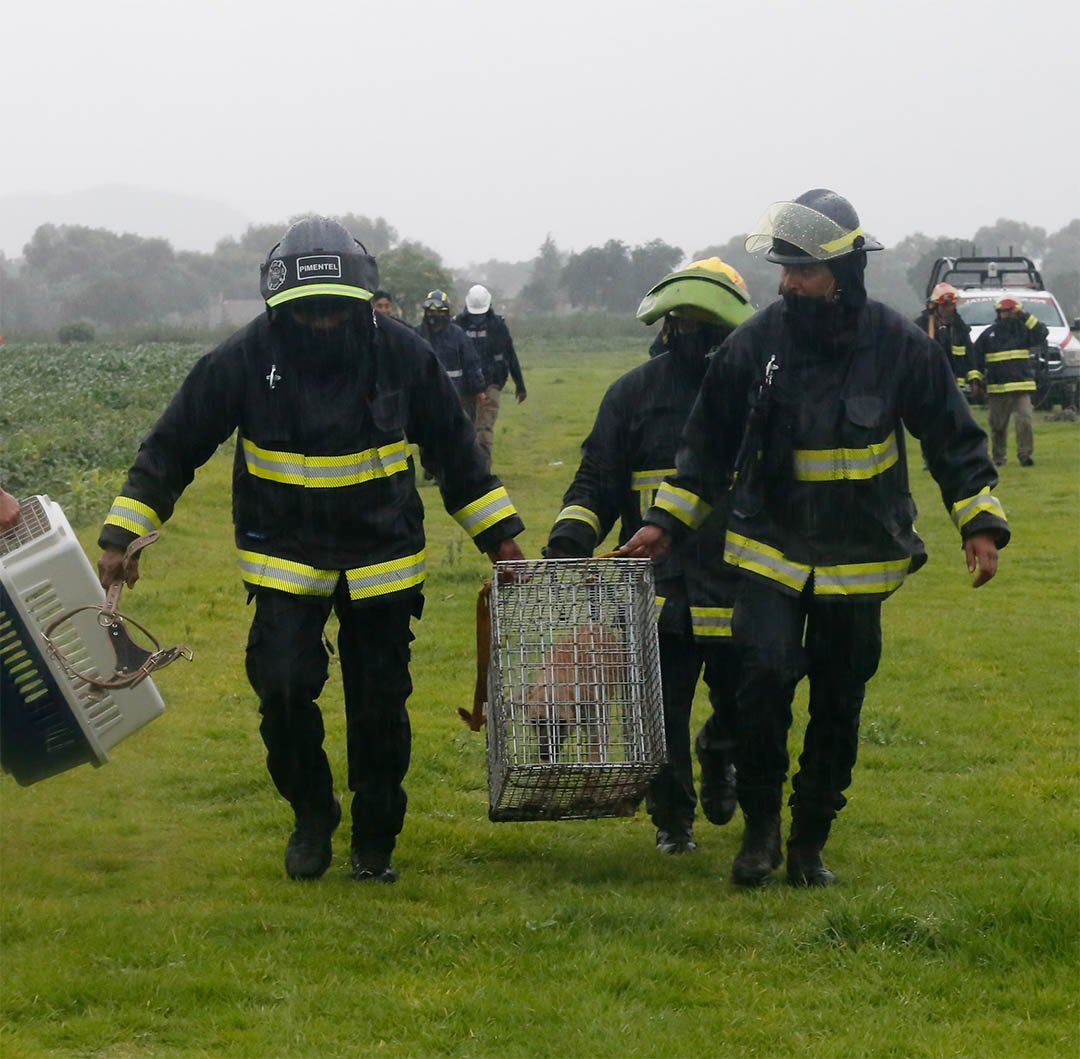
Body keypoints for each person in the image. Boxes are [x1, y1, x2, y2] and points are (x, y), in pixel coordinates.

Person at [95, 217, 525, 884]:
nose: (322, 322)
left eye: (335, 308)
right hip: (285, 556)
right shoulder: (242, 358)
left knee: (380, 706)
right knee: (284, 688)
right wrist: (123, 532)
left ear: (363, 301)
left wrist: (504, 544)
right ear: (280, 305)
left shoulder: (407, 357)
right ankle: (312, 813)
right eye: (307, 310)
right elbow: (173, 445)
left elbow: (458, 456)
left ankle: (375, 841)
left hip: (383, 558)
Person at [622, 189, 1009, 887]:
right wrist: (663, 523)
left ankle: (809, 844)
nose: (786, 283)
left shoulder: (899, 347)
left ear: (844, 270)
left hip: (859, 561)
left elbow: (953, 438)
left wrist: (979, 522)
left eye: (801, 270)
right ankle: (760, 830)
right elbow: (704, 447)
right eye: (784, 269)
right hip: (769, 552)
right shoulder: (755, 343)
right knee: (762, 680)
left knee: (839, 701)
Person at [544, 259, 755, 854]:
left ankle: (720, 752)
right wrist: (568, 542)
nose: (694, 335)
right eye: (682, 322)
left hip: (736, 583)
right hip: (654, 589)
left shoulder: (755, 397)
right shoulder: (632, 395)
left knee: (748, 702)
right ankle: (674, 823)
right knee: (657, 716)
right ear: (665, 327)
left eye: (705, 324)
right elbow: (595, 482)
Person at [971, 296, 1048, 467]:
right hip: (997, 388)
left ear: (1016, 312)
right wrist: (976, 379)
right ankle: (999, 459)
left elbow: (1042, 333)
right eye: (1002, 311)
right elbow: (976, 358)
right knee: (998, 426)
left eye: (1009, 311)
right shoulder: (989, 334)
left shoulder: (1025, 331)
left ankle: (1025, 455)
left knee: (1025, 421)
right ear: (998, 313)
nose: (1005, 314)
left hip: (1022, 386)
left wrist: (1025, 316)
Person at [455, 284, 526, 467]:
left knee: (484, 427)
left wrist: (520, 384)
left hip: (491, 384)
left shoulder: (498, 326)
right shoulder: (457, 325)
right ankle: (465, 465)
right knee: (465, 427)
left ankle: (482, 467)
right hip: (465, 386)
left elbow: (509, 354)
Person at [415, 289, 486, 422]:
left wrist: (478, 389)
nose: (434, 315)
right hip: (425, 396)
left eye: (439, 311)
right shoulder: (417, 334)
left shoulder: (458, 335)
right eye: (430, 311)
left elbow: (471, 363)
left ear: (446, 313)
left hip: (456, 395)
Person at [915, 282, 981, 396]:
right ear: (935, 306)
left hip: (956, 388)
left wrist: (974, 381)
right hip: (929, 386)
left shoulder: (960, 329)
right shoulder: (920, 327)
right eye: (945, 305)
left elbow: (970, 358)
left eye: (952, 304)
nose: (949, 308)